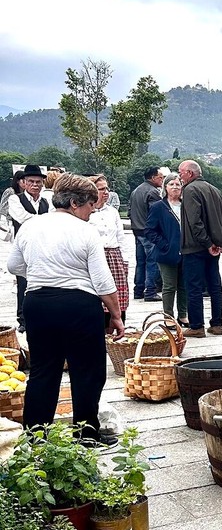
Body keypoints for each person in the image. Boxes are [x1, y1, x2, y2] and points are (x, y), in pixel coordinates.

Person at [7, 174, 124, 445]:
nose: (91, 214)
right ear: (74, 203)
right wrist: (116, 315)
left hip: (38, 303)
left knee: (43, 371)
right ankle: (86, 434)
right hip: (79, 306)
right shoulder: (85, 231)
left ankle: (36, 436)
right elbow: (103, 281)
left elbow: (14, 266)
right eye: (88, 208)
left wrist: (40, 273)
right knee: (88, 371)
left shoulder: (31, 226)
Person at [178, 160, 222, 337]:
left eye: (181, 172)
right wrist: (219, 242)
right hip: (213, 247)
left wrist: (207, 243)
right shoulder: (215, 190)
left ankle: (196, 326)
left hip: (195, 247)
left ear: (190, 174)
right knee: (215, 285)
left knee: (193, 287)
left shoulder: (190, 190)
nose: (179, 176)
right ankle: (217, 324)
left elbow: (195, 222)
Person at [8, 164, 51, 326]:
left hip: (44, 247)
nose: (35, 185)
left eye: (38, 182)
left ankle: (41, 316)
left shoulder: (46, 202)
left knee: (42, 282)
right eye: (31, 181)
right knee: (23, 283)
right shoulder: (15, 199)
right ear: (24, 183)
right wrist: (44, 220)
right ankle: (23, 319)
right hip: (23, 248)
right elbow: (22, 217)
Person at [142, 173, 186, 323]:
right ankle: (168, 316)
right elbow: (149, 230)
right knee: (169, 286)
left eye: (178, 184)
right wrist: (164, 244)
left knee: (183, 285)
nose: (175, 187)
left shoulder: (186, 205)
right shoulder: (158, 207)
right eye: (171, 184)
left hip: (186, 252)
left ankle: (183, 314)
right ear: (165, 187)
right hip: (166, 253)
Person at [89, 174, 129, 323]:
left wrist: (124, 261)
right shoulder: (86, 212)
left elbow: (120, 236)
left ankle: (117, 329)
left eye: (106, 188)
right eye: (101, 189)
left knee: (117, 295)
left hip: (114, 256)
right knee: (98, 296)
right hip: (96, 256)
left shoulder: (112, 212)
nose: (106, 192)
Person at [128, 166, 163, 301]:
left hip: (137, 230)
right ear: (153, 177)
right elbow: (157, 213)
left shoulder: (136, 191)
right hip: (148, 232)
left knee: (140, 262)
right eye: (160, 177)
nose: (162, 180)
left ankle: (138, 290)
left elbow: (130, 211)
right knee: (152, 261)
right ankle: (150, 291)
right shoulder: (152, 192)